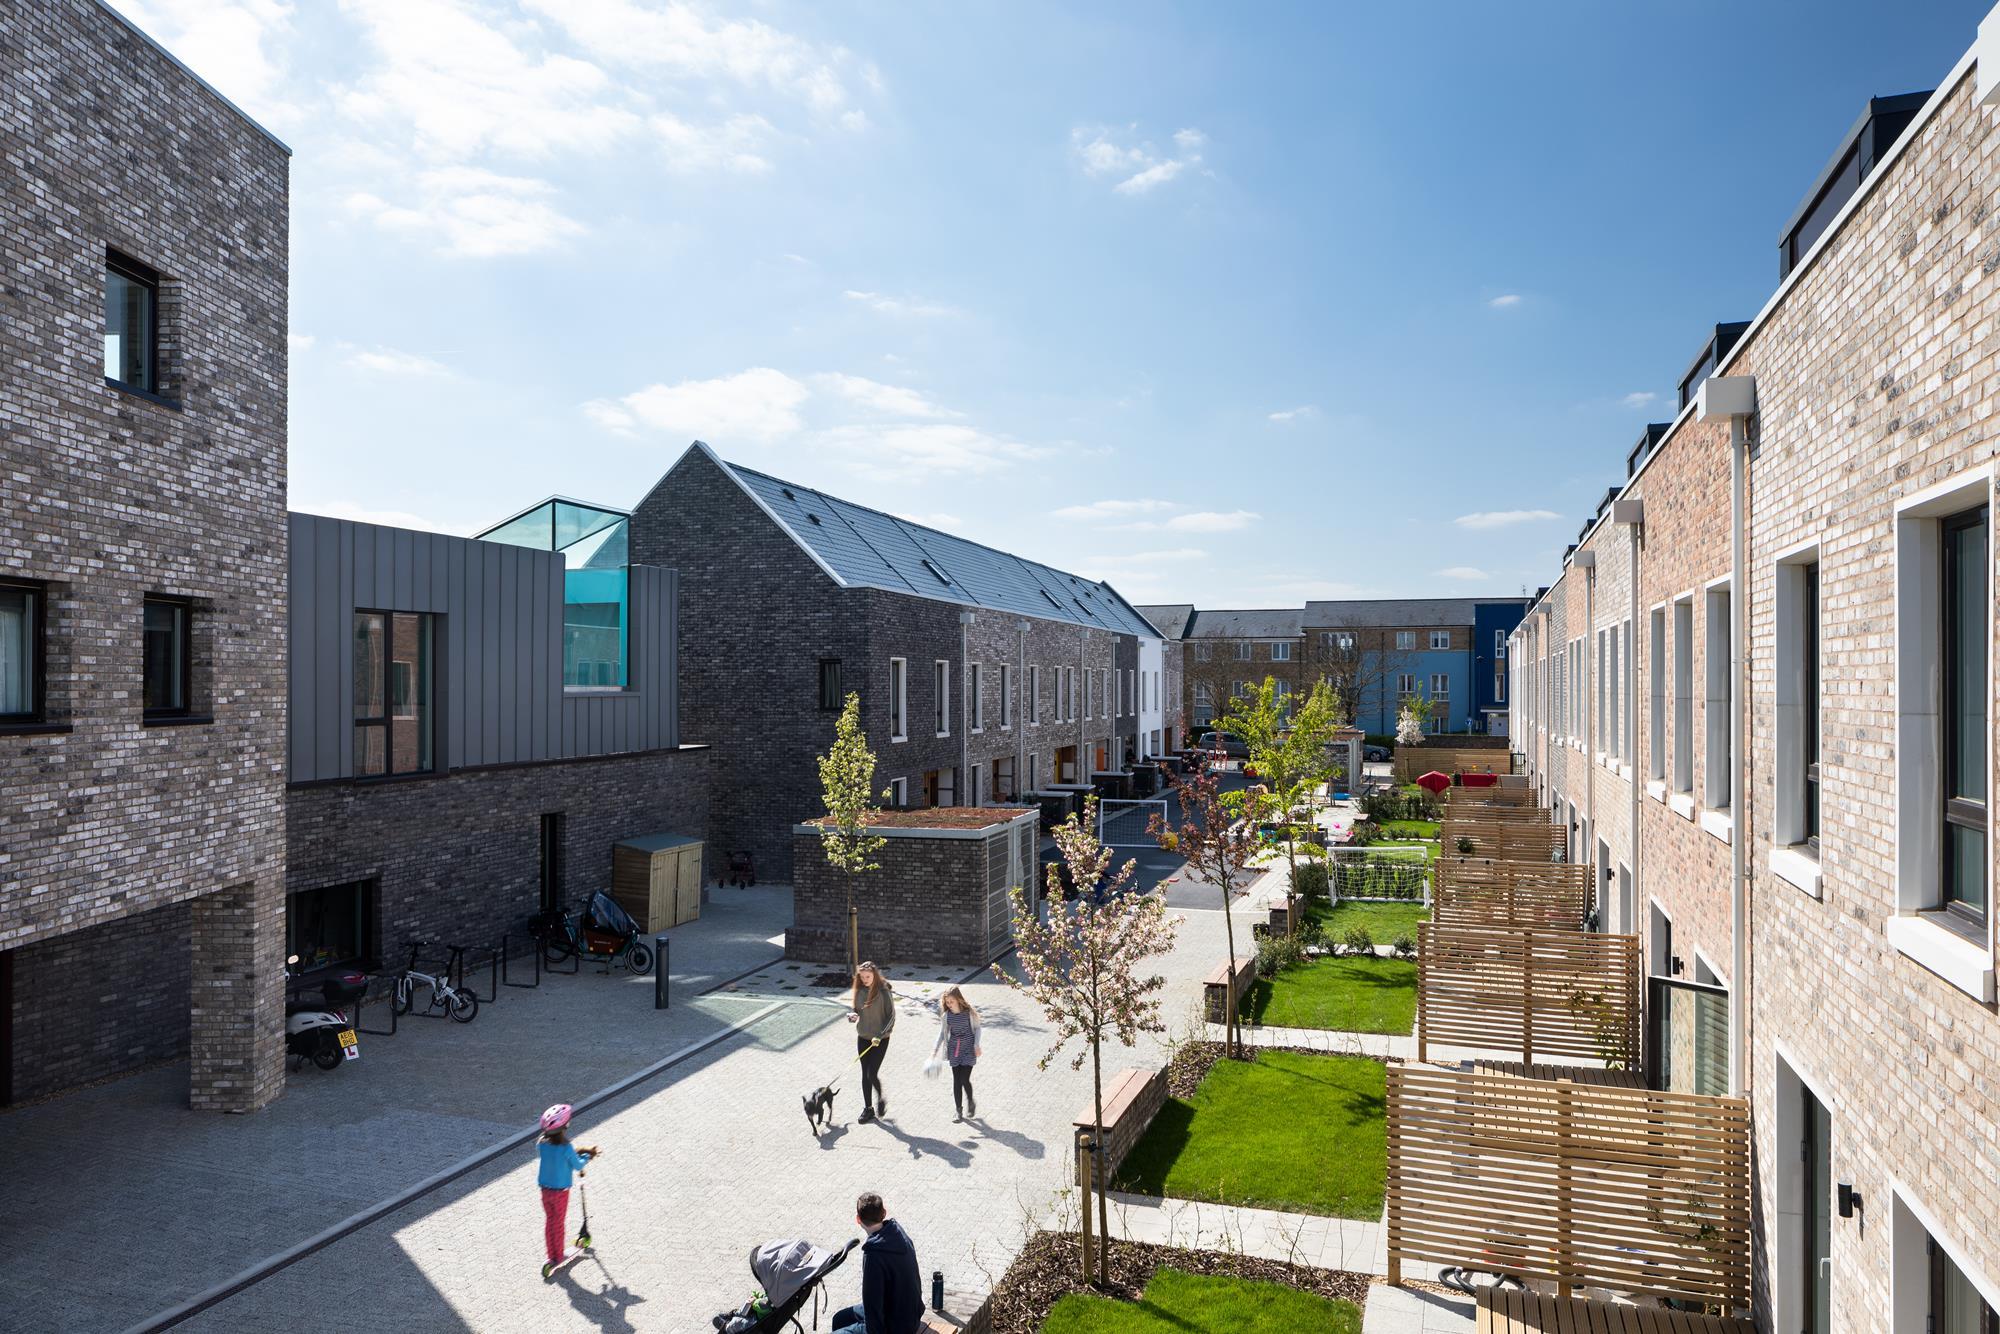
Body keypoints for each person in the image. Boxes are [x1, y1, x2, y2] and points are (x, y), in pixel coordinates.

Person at [833, 1191, 922, 1334]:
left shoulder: (873, 1254)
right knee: (839, 1319)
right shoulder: (897, 1232)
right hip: (909, 1314)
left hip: (897, 1326)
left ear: (858, 1219)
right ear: (884, 1213)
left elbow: (872, 1304)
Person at [537, 1103, 599, 1279]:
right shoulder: (566, 1147)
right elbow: (577, 1164)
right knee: (558, 1223)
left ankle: (551, 1254)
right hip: (560, 1192)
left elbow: (551, 1158)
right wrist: (586, 1156)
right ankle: (557, 1256)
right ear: (565, 1126)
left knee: (550, 1222)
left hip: (545, 1191)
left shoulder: (541, 1143)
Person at [846, 961, 895, 1122]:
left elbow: (891, 1016)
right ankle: (868, 1109)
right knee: (864, 1074)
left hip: (880, 1040)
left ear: (875, 975)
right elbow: (857, 1010)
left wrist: (880, 1035)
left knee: (871, 1073)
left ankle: (880, 1099)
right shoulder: (859, 991)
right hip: (863, 1038)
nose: (865, 979)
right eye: (862, 977)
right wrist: (853, 1016)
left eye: (868, 976)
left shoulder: (884, 991)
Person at [930, 986, 982, 1122]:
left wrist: (976, 1044)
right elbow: (942, 1033)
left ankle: (970, 1101)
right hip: (954, 1050)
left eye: (951, 1001)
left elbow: (977, 1029)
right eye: (947, 1002)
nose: (949, 1004)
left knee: (964, 1079)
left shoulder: (969, 1013)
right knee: (956, 1081)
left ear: (959, 1000)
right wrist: (935, 1049)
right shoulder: (947, 1016)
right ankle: (958, 1111)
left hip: (969, 1049)